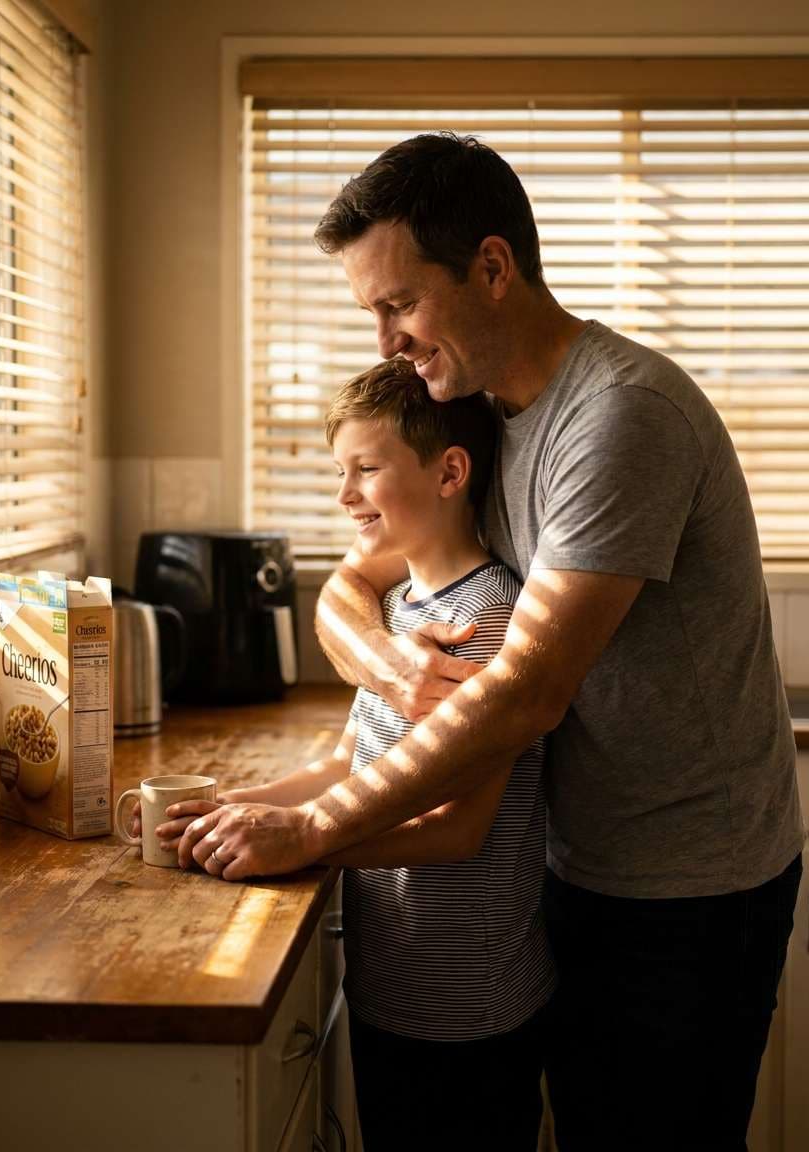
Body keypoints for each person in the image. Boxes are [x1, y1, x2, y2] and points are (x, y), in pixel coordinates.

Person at [173, 133, 805, 1151]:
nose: (386, 340)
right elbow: (350, 584)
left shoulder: (618, 419)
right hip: (571, 860)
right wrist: (391, 665)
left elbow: (525, 695)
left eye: (399, 304)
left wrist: (314, 825)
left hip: (690, 886)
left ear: (493, 267)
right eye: (372, 313)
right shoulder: (482, 413)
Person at [162, 358, 555, 1152]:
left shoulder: (487, 619)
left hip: (466, 1006)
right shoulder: (402, 609)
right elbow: (349, 761)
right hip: (393, 982)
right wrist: (226, 811)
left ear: (450, 473)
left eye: (366, 469)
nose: (344, 495)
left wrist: (302, 839)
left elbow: (460, 829)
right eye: (340, 471)